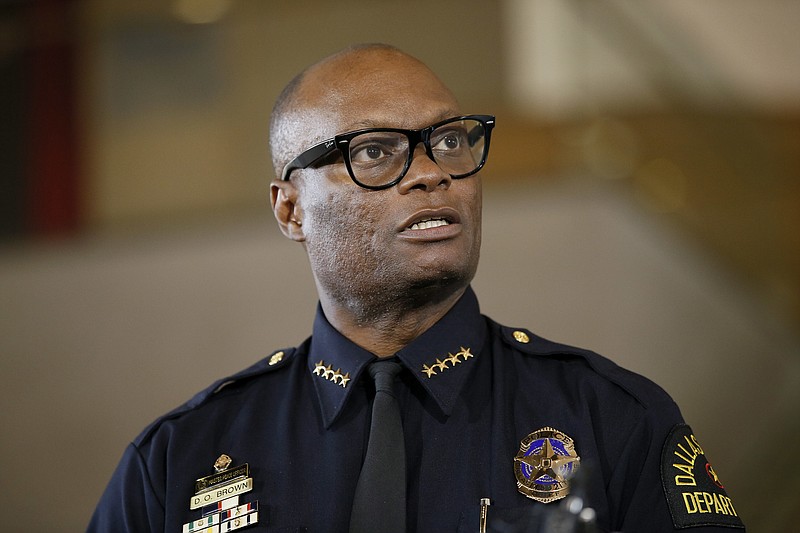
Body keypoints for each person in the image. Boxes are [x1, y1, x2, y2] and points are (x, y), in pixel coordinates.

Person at [88, 44, 745, 533]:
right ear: (290, 209)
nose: (432, 174)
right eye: (375, 151)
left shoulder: (611, 417)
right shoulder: (178, 460)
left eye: (450, 140)